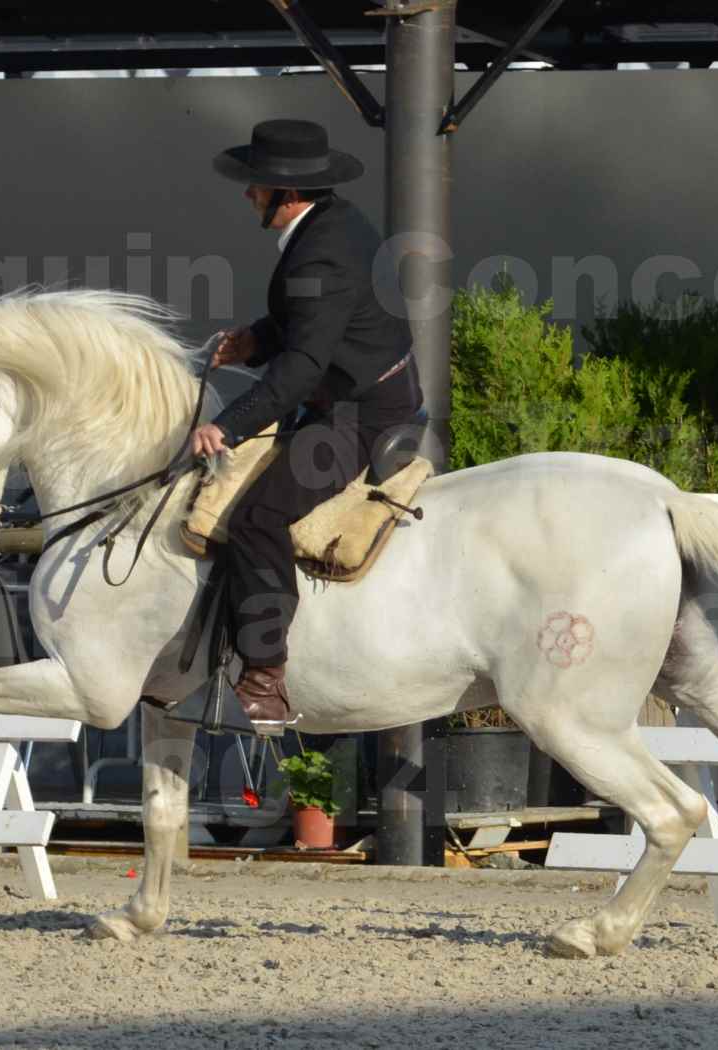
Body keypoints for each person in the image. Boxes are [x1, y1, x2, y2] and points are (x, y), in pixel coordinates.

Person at [189, 118, 423, 733]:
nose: (249, 195)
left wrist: (227, 425)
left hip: (360, 413)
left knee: (258, 515)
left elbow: (302, 367)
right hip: (346, 390)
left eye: (256, 186)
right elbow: (309, 323)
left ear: (286, 194)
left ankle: (266, 675)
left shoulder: (319, 248)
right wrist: (252, 343)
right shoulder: (329, 223)